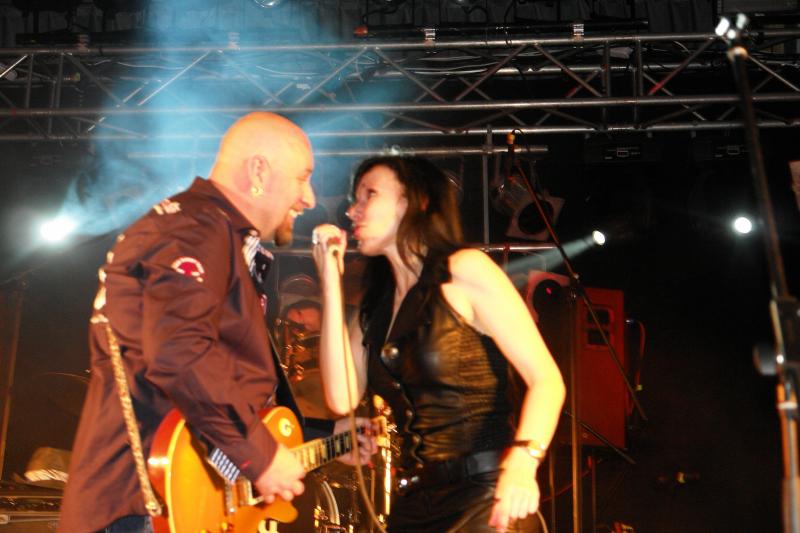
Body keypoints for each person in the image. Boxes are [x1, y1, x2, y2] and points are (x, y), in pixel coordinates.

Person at [59, 112, 375, 533]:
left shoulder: (210, 234)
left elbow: (213, 390)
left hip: (160, 499)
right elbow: (179, 350)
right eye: (303, 178)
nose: (309, 198)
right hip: (147, 504)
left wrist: (323, 440)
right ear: (258, 171)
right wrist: (259, 456)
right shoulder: (194, 228)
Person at [312, 156, 566, 533]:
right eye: (354, 199)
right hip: (416, 502)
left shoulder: (463, 270)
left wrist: (524, 460)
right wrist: (330, 282)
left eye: (369, 195)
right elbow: (341, 398)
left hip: (482, 495)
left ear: (415, 202)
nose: (353, 210)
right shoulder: (375, 308)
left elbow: (546, 379)